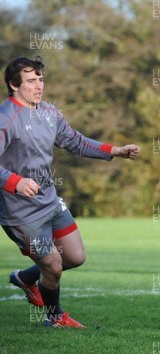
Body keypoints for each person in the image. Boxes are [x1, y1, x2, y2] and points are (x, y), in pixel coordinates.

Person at [2, 56, 140, 328]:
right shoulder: (6, 117)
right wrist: (15, 181)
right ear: (13, 84)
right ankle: (55, 318)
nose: (38, 85)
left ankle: (27, 278)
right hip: (21, 213)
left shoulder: (50, 113)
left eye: (40, 79)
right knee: (53, 265)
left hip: (50, 203)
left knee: (74, 257)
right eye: (31, 80)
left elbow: (75, 142)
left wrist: (116, 151)